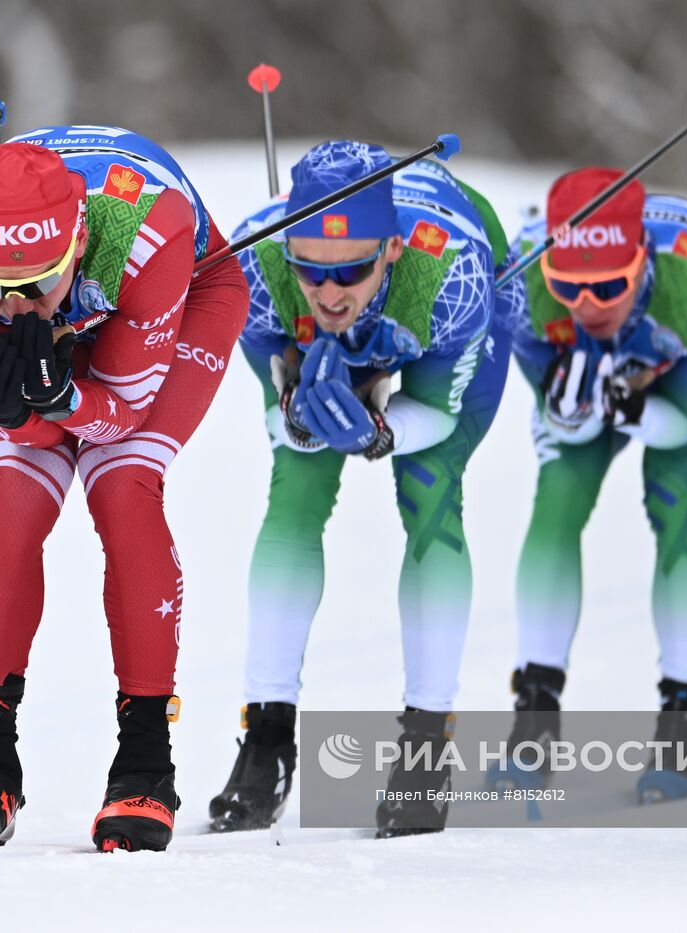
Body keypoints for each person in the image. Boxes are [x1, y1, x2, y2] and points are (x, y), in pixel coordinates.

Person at [0, 126, 248, 851]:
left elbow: (117, 415)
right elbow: (29, 425)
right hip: (91, 313)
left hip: (180, 296)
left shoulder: (147, 229)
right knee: (18, 497)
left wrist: (61, 397)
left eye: (39, 282)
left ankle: (145, 765)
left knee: (122, 486)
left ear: (80, 240)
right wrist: (15, 406)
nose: (19, 305)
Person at [208, 140, 520, 837]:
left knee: (430, 491)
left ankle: (427, 744)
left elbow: (437, 416)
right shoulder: (256, 268)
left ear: (391, 253)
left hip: (450, 310)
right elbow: (279, 400)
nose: (329, 291)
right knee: (296, 486)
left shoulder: (452, 275)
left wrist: (381, 431)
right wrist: (295, 407)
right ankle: (266, 737)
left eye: (351, 269)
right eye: (311, 271)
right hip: (334, 326)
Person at [493, 167, 687, 801]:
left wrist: (633, 405)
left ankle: (683, 716)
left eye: (609, 286)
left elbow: (683, 426)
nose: (587, 306)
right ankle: (534, 712)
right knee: (558, 496)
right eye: (570, 287)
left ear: (641, 262)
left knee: (674, 494)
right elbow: (556, 408)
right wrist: (569, 407)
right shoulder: (523, 281)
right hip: (590, 364)